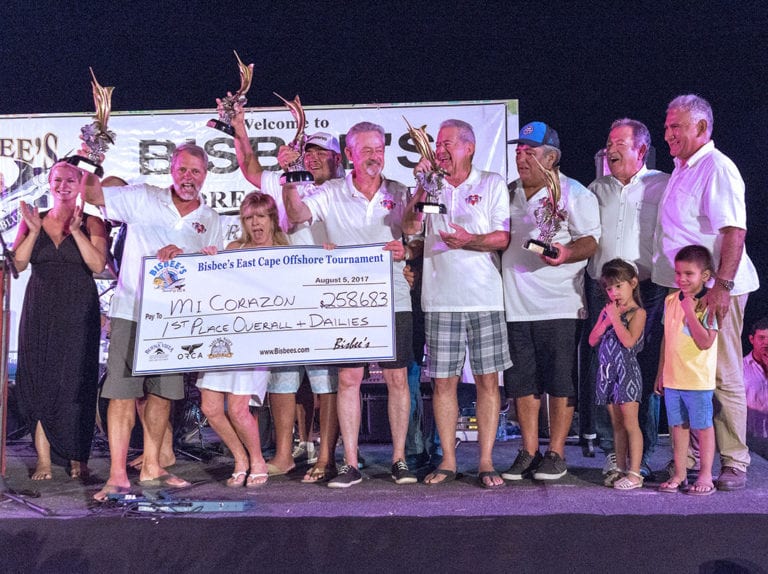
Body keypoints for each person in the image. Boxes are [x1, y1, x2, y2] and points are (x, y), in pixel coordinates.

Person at [83, 143, 222, 501]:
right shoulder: (143, 197)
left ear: (206, 175)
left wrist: (187, 256)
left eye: (195, 171)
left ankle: (152, 466)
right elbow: (91, 193)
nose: (188, 178)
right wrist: (90, 157)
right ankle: (117, 474)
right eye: (182, 169)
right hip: (132, 310)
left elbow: (213, 272)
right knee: (122, 394)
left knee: (161, 395)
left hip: (173, 320)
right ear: (171, 169)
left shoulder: (211, 220)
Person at [283, 121, 414, 488]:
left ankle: (399, 459)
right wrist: (290, 177)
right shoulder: (331, 191)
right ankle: (351, 463)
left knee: (397, 378)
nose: (374, 156)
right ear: (350, 155)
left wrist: (408, 249)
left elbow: (416, 231)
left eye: (379, 150)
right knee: (348, 378)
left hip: (392, 295)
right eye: (366, 150)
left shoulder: (400, 191)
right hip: (347, 298)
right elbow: (297, 216)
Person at [228, 101, 342, 483]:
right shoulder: (283, 182)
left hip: (326, 294)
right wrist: (240, 128)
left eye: (323, 153)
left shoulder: (340, 191)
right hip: (285, 297)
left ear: (338, 159)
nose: (315, 158)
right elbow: (250, 167)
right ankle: (282, 454)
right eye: (309, 152)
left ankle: (325, 456)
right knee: (282, 377)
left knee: (325, 380)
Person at [653, 94, 760, 491]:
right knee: (689, 373)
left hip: (716, 289)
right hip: (690, 288)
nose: (668, 134)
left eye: (675, 127)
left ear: (701, 127)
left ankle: (734, 461)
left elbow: (734, 231)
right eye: (666, 127)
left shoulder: (717, 167)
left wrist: (721, 287)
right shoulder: (683, 168)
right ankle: (690, 460)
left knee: (723, 372)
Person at [403, 119, 511, 488]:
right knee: (443, 383)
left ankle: (485, 461)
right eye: (438, 144)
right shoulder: (429, 185)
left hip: (484, 298)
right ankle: (448, 460)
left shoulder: (491, 183)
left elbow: (502, 237)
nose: (440, 150)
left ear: (469, 147)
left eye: (448, 143)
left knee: (487, 382)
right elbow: (410, 226)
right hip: (439, 299)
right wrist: (423, 184)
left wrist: (468, 240)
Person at [502, 121, 600, 481]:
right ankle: (529, 451)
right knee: (522, 382)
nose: (521, 158)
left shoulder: (574, 193)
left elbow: (590, 241)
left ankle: (556, 452)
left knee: (560, 382)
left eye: (530, 152)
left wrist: (566, 253)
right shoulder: (508, 192)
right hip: (515, 303)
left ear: (551, 157)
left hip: (560, 303)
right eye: (518, 151)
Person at [585, 118, 669, 479]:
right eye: (609, 143)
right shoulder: (596, 188)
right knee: (607, 367)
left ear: (641, 149)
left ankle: (641, 454)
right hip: (603, 289)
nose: (611, 150)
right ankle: (612, 452)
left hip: (646, 290)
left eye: (620, 143)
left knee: (642, 370)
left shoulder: (662, 185)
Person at [13, 161, 107, 480]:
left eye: (70, 180)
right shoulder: (33, 219)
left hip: (78, 310)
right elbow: (18, 264)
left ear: (80, 185)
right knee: (38, 381)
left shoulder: (93, 222)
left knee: (76, 382)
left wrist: (77, 232)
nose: (63, 186)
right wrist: (33, 232)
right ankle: (43, 459)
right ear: (49, 184)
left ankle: (76, 455)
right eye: (57, 180)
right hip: (39, 309)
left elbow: (97, 265)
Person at [197, 192, 284, 487]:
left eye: (261, 216)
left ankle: (257, 460)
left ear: (272, 219)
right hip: (225, 335)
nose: (255, 223)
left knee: (238, 409)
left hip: (256, 340)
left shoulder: (286, 253)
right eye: (249, 218)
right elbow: (216, 288)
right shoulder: (234, 249)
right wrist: (210, 261)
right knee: (210, 407)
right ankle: (240, 459)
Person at [655, 245, 718, 496]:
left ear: (705, 275)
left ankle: (705, 475)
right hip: (674, 378)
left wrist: (690, 311)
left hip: (697, 379)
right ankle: (680, 473)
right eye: (678, 273)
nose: (682, 279)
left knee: (702, 427)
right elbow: (667, 338)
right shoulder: (670, 301)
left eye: (689, 274)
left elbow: (705, 341)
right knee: (678, 427)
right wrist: (661, 371)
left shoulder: (710, 303)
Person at [588, 259, 647, 490]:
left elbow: (629, 341)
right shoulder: (608, 311)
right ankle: (620, 468)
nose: (614, 293)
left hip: (627, 373)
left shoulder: (637, 312)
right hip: (608, 373)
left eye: (619, 286)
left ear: (633, 283)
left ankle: (635, 472)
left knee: (631, 423)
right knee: (617, 425)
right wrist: (605, 321)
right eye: (609, 288)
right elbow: (592, 339)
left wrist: (614, 319)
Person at [744, 318, 768, 441]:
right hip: (749, 436)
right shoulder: (739, 367)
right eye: (761, 338)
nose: (766, 343)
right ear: (751, 339)